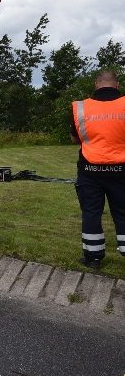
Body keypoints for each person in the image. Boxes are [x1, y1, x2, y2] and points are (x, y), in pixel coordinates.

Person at [71, 70, 125, 269]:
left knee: (91, 212)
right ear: (117, 85)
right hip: (121, 170)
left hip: (90, 170)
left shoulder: (80, 107)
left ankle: (93, 257)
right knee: (123, 212)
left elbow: (75, 138)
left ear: (96, 84)